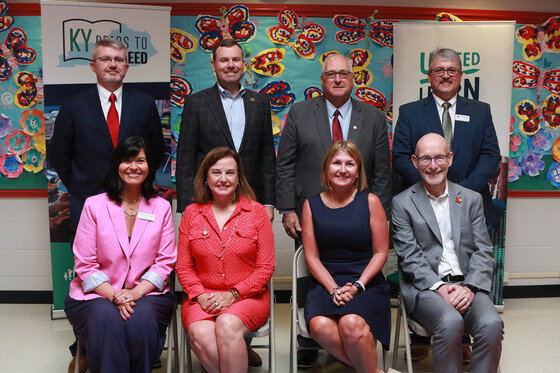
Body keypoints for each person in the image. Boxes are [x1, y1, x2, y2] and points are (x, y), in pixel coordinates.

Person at [276, 51, 391, 368]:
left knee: (353, 305)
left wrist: (373, 211)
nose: (338, 79)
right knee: (309, 273)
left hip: (359, 218)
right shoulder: (299, 113)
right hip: (310, 214)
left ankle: (357, 349)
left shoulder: (373, 117)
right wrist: (288, 208)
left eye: (344, 73)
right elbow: (284, 164)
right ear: (322, 80)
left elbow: (382, 171)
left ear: (353, 79)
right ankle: (308, 341)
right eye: (331, 74)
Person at [391, 133, 504, 373]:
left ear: (450, 158)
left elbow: (484, 250)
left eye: (439, 158)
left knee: (492, 323)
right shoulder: (402, 203)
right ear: (414, 161)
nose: (433, 166)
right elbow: (409, 257)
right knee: (450, 321)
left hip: (467, 285)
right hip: (427, 288)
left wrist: (470, 287)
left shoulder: (471, 199)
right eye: (425, 159)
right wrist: (440, 287)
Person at [64, 136, 176, 373]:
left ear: (149, 166)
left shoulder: (161, 207)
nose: (133, 167)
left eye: (140, 160)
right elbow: (85, 264)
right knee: (107, 322)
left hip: (146, 293)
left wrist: (133, 293)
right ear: (117, 164)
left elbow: (164, 262)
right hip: (97, 294)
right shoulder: (94, 205)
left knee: (141, 324)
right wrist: (115, 295)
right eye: (127, 160)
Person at [49, 38, 165, 235]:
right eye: (105, 59)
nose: (112, 64)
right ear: (93, 66)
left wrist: (138, 182)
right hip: (87, 200)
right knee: (89, 263)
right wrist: (79, 184)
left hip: (135, 200)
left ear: (126, 67)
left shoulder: (144, 104)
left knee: (137, 260)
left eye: (118, 60)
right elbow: (59, 154)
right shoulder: (73, 106)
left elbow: (156, 150)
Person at [177, 147, 275, 373]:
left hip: (247, 297)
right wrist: (201, 295)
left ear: (239, 177)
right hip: (202, 297)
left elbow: (265, 268)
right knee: (201, 333)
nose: (223, 179)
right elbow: (183, 266)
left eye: (230, 173)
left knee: (227, 325)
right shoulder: (192, 213)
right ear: (206, 177)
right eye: (216, 172)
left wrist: (232, 294)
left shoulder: (256, 212)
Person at [301, 141, 391, 373]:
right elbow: (311, 257)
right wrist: (333, 289)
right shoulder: (310, 205)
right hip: (326, 283)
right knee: (319, 326)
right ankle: (373, 370)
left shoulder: (370, 201)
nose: (343, 169)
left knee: (351, 323)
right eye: (336, 163)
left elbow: (381, 252)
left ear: (358, 171)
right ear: (326, 169)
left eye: (350, 164)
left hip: (366, 281)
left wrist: (358, 285)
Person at [392, 47, 500, 228]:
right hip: (421, 204)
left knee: (471, 256)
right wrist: (431, 188)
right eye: (439, 70)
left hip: (470, 206)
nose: (445, 75)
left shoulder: (480, 111)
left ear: (460, 75)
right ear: (429, 76)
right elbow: (401, 157)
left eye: (451, 70)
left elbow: (490, 155)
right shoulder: (409, 112)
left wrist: (463, 192)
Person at [176, 38, 276, 223]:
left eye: (236, 60)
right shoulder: (196, 103)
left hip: (252, 199)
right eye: (224, 60)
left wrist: (269, 203)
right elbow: (185, 159)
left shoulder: (260, 103)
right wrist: (186, 207)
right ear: (214, 65)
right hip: (207, 200)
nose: (231, 65)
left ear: (244, 64)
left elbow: (267, 158)